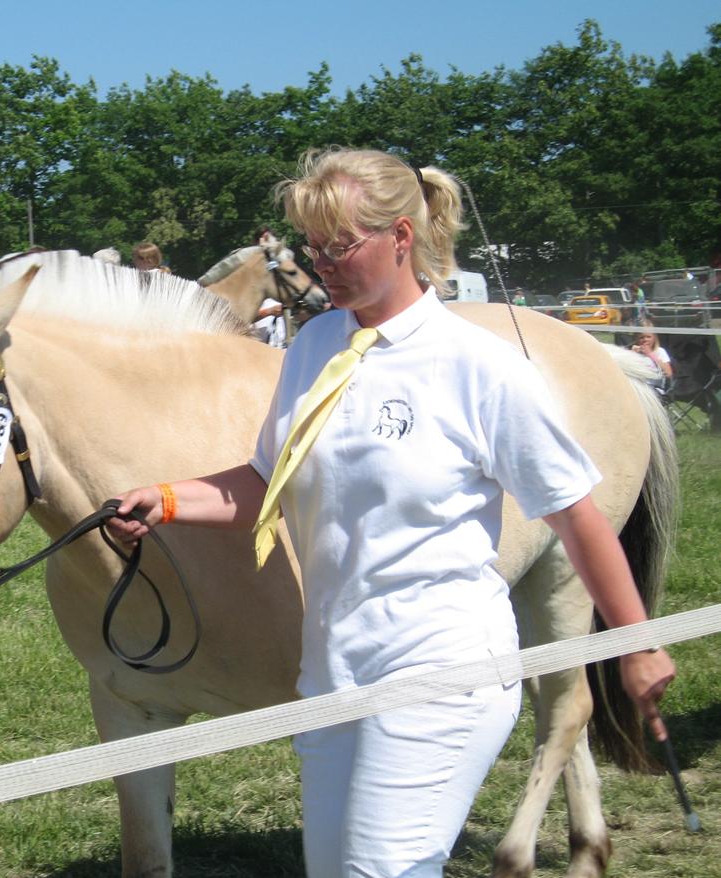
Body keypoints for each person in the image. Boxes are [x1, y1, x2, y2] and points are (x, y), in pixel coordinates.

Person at [106, 147, 675, 878]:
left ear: (401, 237)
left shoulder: (479, 365)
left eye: (339, 246)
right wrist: (168, 500)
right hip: (332, 670)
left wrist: (636, 644)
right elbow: (268, 482)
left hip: (443, 666)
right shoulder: (314, 346)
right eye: (314, 247)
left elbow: (577, 517)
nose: (322, 265)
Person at [631, 325, 673, 390]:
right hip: (638, 387)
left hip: (654, 388)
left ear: (654, 338)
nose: (645, 340)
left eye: (648, 337)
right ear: (637, 339)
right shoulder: (635, 353)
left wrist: (650, 354)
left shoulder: (660, 351)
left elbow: (668, 373)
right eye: (642, 337)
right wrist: (631, 354)